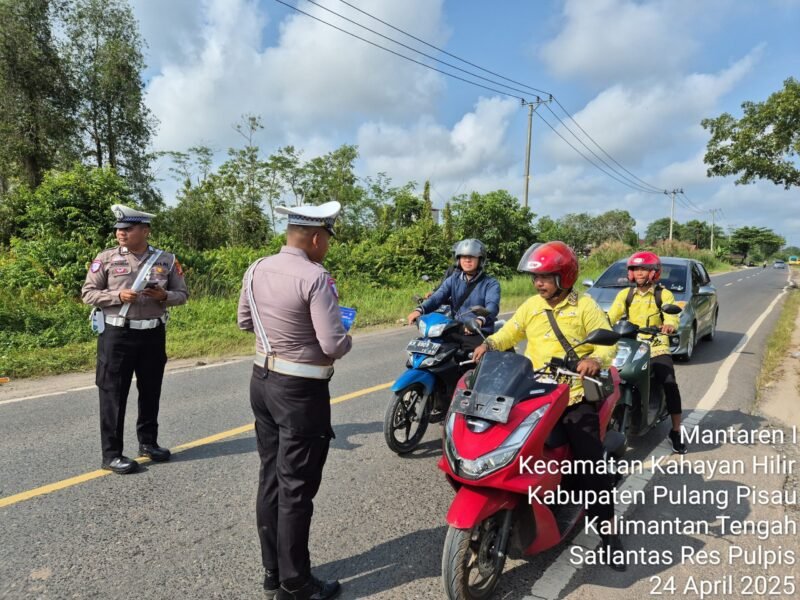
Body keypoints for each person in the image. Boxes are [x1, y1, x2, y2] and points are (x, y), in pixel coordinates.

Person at [472, 241, 625, 570]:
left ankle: (609, 532)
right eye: (536, 278)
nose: (538, 283)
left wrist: (596, 359)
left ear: (565, 277)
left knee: (590, 463)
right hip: (531, 391)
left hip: (571, 395)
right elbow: (510, 333)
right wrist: (488, 344)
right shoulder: (531, 305)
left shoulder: (584, 306)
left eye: (545, 277)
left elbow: (607, 342)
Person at [238, 201, 352, 600]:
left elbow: (244, 321)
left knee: (270, 475)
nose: (327, 248)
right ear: (317, 238)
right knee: (297, 487)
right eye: (328, 240)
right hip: (300, 390)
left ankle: (273, 572)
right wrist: (347, 336)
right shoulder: (316, 277)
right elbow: (332, 344)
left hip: (262, 381)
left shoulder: (256, 267)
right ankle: (296, 582)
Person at [81, 204, 188, 475]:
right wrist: (118, 296)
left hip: (153, 333)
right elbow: (88, 293)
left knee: (151, 390)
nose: (121, 234)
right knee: (113, 393)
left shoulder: (166, 259)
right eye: (119, 229)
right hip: (117, 334)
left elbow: (182, 294)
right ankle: (112, 454)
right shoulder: (105, 259)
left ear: (145, 230)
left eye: (128, 229)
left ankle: (148, 443)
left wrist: (164, 297)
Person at [607, 251, 688, 454]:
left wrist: (669, 325)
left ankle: (676, 430)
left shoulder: (663, 295)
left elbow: (672, 318)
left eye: (644, 269)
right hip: (631, 344)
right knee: (608, 376)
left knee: (669, 382)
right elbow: (611, 315)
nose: (639, 273)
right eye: (635, 269)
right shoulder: (625, 294)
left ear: (653, 273)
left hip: (656, 345)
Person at [406, 238, 500, 355]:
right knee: (435, 353)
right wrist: (420, 310)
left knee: (475, 359)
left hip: (478, 331)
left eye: (471, 257)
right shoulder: (453, 279)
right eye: (463, 257)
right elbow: (437, 297)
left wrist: (479, 320)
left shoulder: (490, 283)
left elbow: (492, 306)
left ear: (480, 260)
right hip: (456, 328)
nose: (467, 260)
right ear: (458, 260)